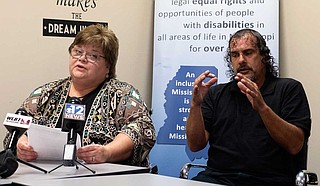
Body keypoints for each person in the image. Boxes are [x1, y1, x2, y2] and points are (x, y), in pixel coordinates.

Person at [3, 24, 156, 167]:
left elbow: (142, 131)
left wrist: (107, 153)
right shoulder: (46, 93)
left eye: (93, 56)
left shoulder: (123, 95)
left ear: (108, 66)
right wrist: (21, 145)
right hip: (46, 178)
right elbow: (17, 128)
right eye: (78, 52)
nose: (82, 59)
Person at [186, 29, 311, 185]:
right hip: (218, 179)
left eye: (248, 53)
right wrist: (195, 105)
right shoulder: (217, 93)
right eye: (235, 55)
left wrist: (262, 108)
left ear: (263, 56)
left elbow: (295, 145)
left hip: (269, 181)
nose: (241, 60)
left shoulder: (288, 89)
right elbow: (195, 145)